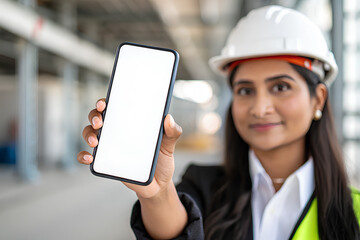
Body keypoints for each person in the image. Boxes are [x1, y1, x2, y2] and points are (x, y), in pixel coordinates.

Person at [77, 5, 360, 240]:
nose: (260, 108)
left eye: (281, 87)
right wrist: (157, 193)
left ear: (318, 99)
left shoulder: (355, 211)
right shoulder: (202, 185)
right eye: (246, 90)